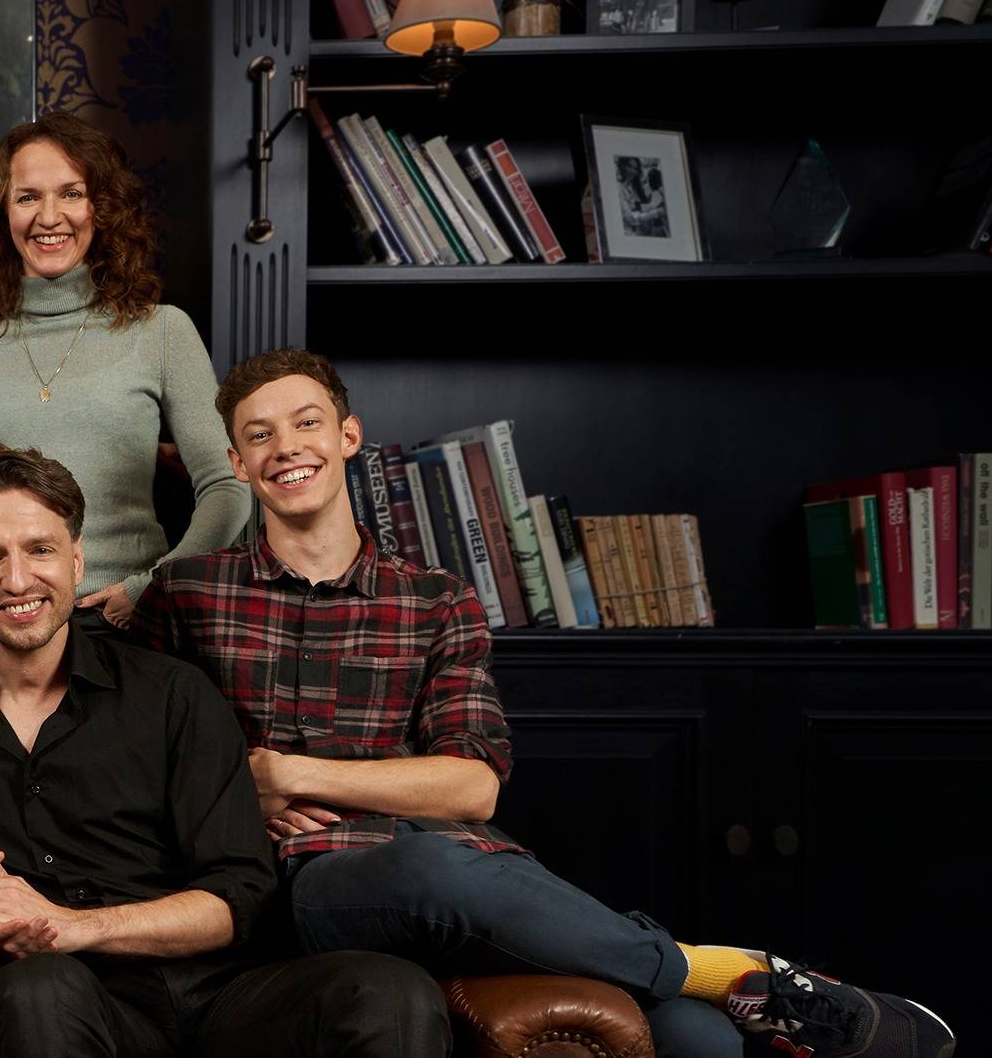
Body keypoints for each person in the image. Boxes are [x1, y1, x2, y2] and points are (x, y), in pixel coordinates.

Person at [134, 348, 958, 1058]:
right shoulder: (188, 594)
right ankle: (726, 966)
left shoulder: (437, 599)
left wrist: (286, 772)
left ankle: (721, 987)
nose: (286, 446)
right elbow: (143, 764)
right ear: (236, 463)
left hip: (467, 875)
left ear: (348, 436)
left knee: (697, 1034)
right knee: (428, 864)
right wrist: (240, 794)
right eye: (259, 434)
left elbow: (471, 787)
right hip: (306, 883)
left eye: (306, 422)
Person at [0, 441, 449, 1058]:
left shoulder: (173, 693)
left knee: (392, 991)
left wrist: (73, 926)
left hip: (225, 995)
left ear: (76, 560)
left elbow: (239, 897)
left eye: (40, 549)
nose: (18, 580)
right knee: (37, 986)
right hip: (75, 1001)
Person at [0, 112, 249, 677]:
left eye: (71, 193)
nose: (49, 217)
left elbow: (228, 484)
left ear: (102, 207)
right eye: (28, 197)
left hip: (122, 621)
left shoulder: (162, 331)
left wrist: (152, 586)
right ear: (2, 213)